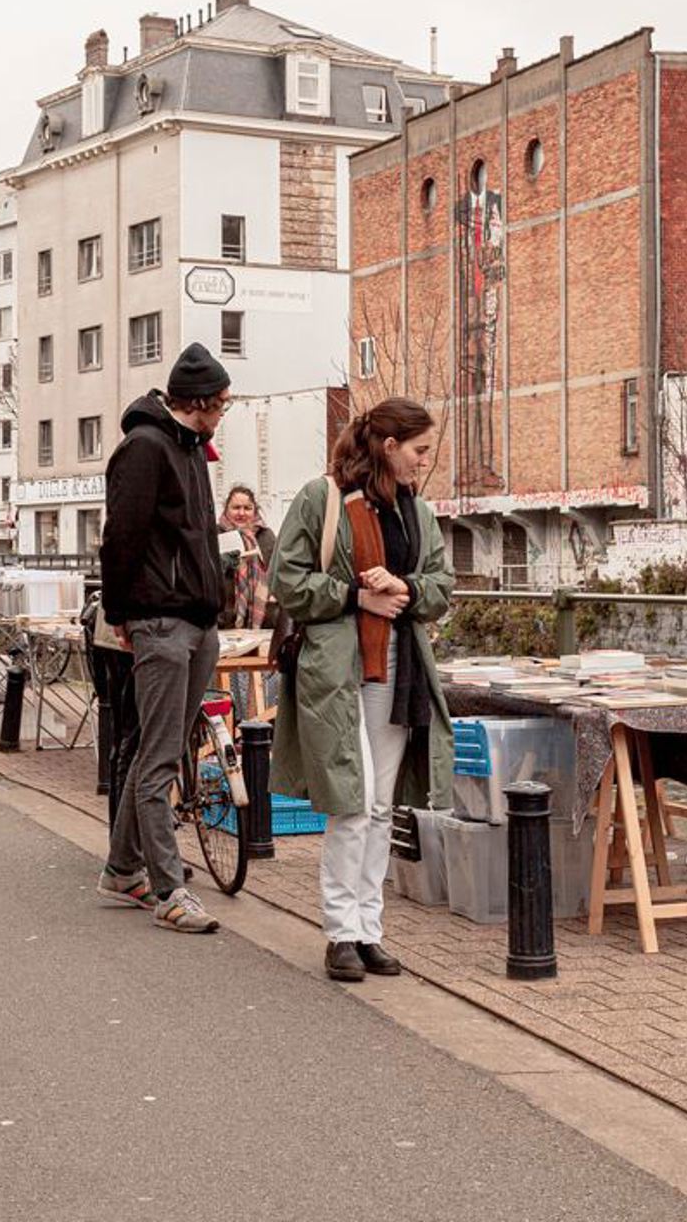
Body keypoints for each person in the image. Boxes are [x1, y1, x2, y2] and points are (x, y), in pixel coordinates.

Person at [271, 398, 456, 982]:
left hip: (400, 671)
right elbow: (289, 582)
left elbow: (441, 585)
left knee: (380, 806)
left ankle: (370, 930)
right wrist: (356, 594)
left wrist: (401, 585)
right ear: (388, 446)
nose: (423, 463)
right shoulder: (321, 499)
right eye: (419, 451)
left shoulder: (416, 511)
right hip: (341, 671)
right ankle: (340, 932)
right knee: (351, 804)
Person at [93, 342, 232, 936]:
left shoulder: (190, 450)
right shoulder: (146, 448)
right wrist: (123, 613)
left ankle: (123, 868)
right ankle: (169, 891)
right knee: (159, 757)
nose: (225, 410)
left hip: (195, 620)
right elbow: (120, 536)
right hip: (160, 620)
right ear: (198, 402)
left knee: (163, 749)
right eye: (222, 402)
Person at [219, 484, 282, 720]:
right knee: (229, 689)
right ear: (227, 509)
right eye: (236, 507)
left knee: (261, 692)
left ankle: (258, 730)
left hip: (262, 626)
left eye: (247, 507)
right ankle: (232, 731)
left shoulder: (266, 536)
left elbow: (279, 572)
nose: (241, 513)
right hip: (227, 624)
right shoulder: (215, 534)